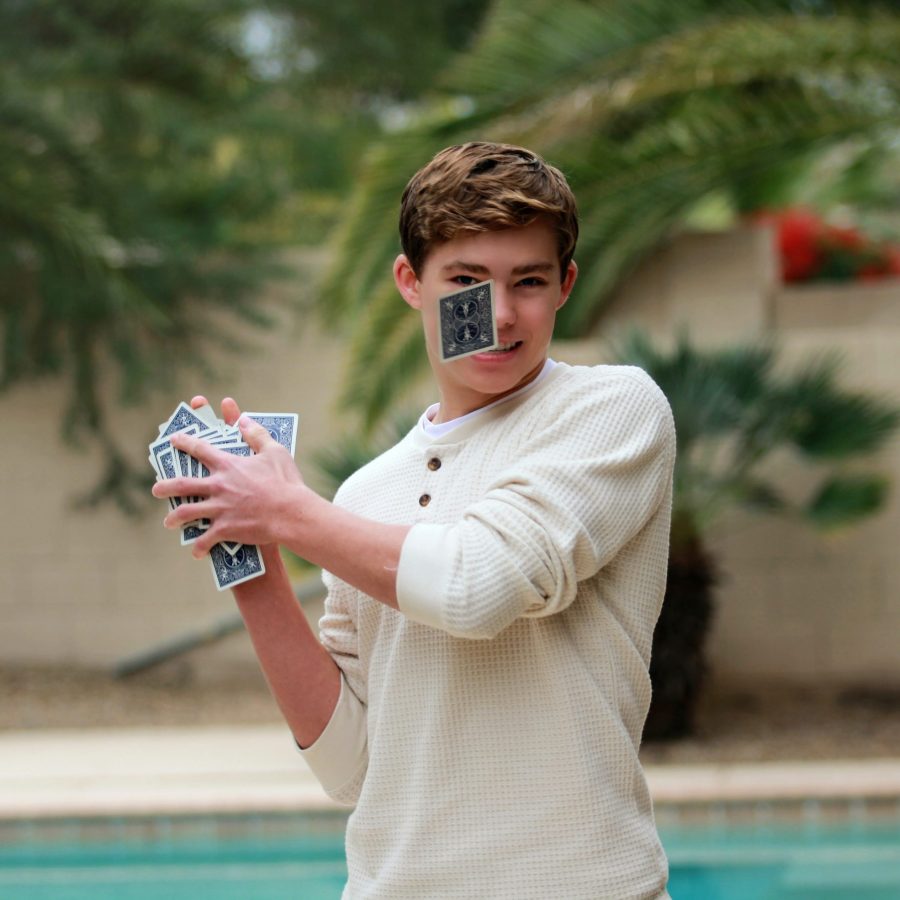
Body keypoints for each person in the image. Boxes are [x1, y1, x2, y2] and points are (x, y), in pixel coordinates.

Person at [154, 141, 676, 899]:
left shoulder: (611, 410)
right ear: (411, 282)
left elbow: (479, 585)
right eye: (466, 281)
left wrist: (290, 513)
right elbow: (351, 767)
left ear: (565, 286)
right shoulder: (366, 494)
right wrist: (252, 549)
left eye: (527, 281)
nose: (497, 314)